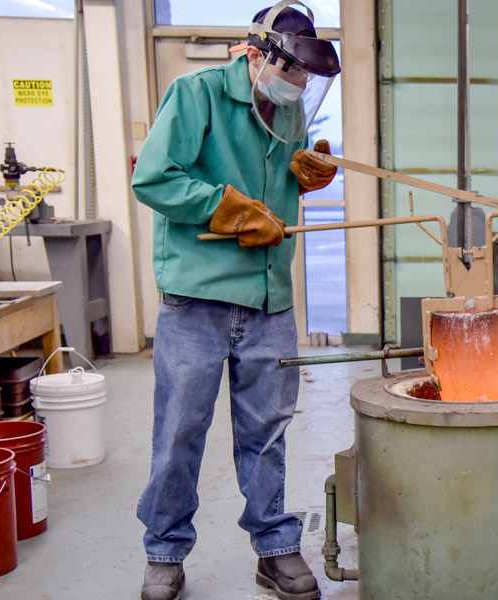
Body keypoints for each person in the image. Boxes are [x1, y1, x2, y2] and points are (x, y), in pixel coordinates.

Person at [130, 2, 341, 599]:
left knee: (266, 433)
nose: (296, 85)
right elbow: (154, 177)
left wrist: (303, 174)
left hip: (269, 297)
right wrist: (223, 208)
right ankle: (165, 551)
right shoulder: (195, 93)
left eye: (304, 77)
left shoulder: (291, 108)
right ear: (255, 54)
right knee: (179, 431)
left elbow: (275, 190)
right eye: (290, 71)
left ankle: (274, 548)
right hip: (197, 299)